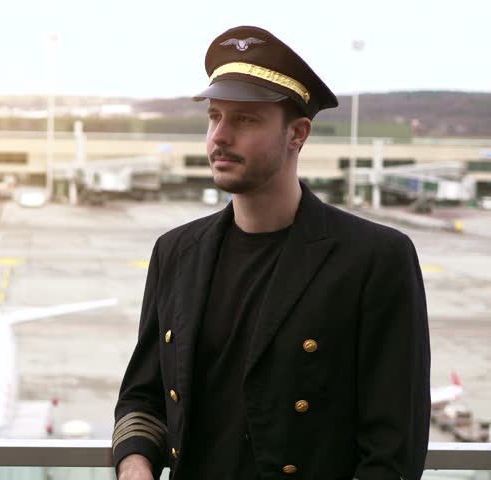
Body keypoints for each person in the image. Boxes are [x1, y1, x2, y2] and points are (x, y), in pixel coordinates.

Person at [112, 25, 430, 480]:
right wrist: (135, 465)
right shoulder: (176, 252)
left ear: (297, 134)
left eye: (244, 120)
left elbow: (393, 448)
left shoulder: (376, 258)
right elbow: (143, 397)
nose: (220, 136)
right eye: (214, 116)